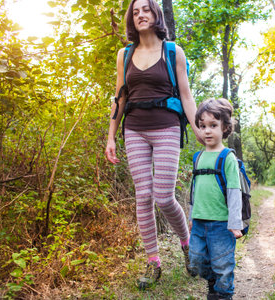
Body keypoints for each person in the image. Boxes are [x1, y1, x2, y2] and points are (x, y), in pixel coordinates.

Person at [105, 0, 201, 290]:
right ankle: (154, 261)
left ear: (156, 14)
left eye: (145, 9)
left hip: (167, 128)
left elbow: (185, 95)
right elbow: (120, 96)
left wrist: (198, 127)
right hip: (134, 129)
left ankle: (187, 245)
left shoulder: (173, 52)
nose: (140, 15)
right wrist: (111, 135)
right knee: (143, 196)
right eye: (135, 12)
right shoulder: (125, 54)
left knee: (163, 196)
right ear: (131, 20)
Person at [189, 98, 243, 300]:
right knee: (196, 260)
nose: (207, 131)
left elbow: (234, 191)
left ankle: (223, 294)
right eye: (202, 126)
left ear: (225, 128)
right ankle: (212, 282)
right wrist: (191, 215)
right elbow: (194, 189)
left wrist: (235, 223)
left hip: (221, 224)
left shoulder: (227, 157)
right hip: (199, 222)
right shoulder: (198, 157)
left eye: (213, 125)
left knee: (223, 264)